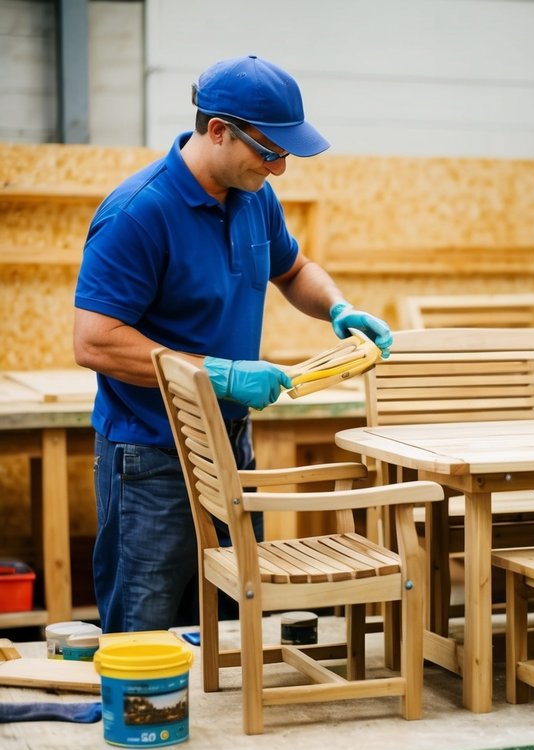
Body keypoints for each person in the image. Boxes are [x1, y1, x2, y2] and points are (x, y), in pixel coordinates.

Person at [73, 55, 394, 634]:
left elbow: (293, 270)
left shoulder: (252, 198)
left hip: (231, 443)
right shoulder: (138, 214)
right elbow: (96, 342)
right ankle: (140, 723)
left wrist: (339, 309)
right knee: (143, 628)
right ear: (218, 130)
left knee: (228, 621)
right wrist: (217, 374)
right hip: (152, 455)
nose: (280, 169)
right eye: (270, 152)